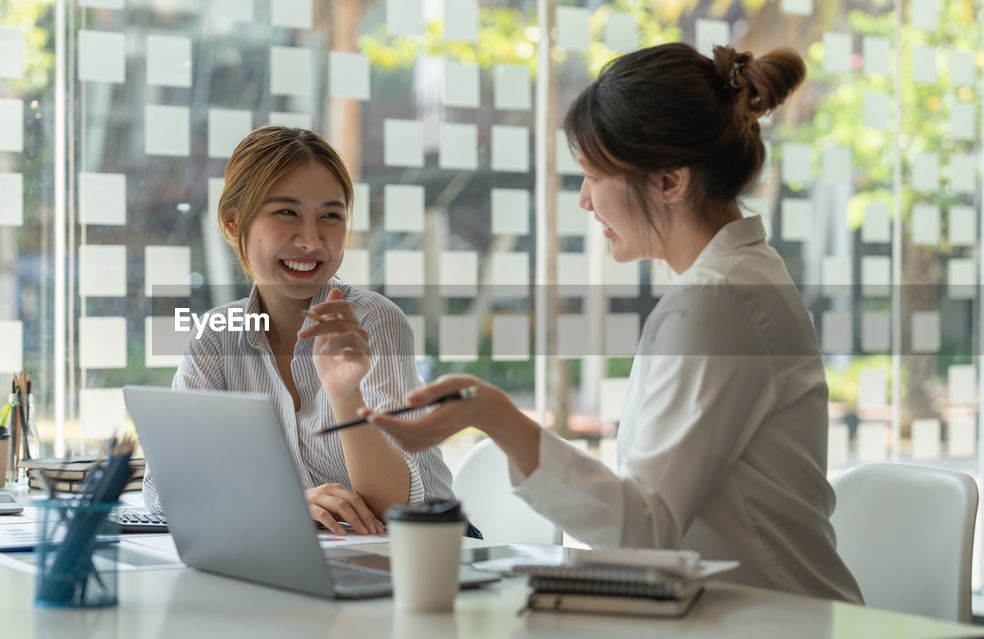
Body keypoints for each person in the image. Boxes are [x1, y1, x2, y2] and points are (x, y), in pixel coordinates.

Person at [363, 44, 864, 603]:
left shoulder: (717, 302)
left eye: (593, 174)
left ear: (671, 182)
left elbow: (646, 529)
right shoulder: (736, 279)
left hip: (773, 617)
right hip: (739, 608)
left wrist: (498, 418)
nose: (583, 199)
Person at [142, 126, 456, 536]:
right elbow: (165, 488)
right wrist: (279, 506)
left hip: (425, 548)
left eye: (330, 215)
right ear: (234, 223)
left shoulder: (374, 322)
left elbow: (397, 506)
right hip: (306, 549)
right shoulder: (216, 338)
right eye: (286, 212)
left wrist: (346, 395)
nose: (310, 241)